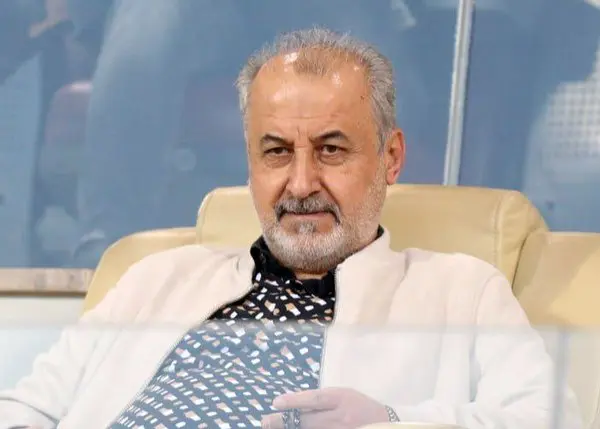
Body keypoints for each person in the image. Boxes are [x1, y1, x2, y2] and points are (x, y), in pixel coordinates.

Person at [0, 28, 582, 429]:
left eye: (331, 150)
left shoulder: (461, 290)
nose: (301, 184)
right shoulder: (156, 278)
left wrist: (391, 422)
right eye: (277, 151)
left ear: (391, 158)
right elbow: (26, 409)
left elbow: (552, 419)